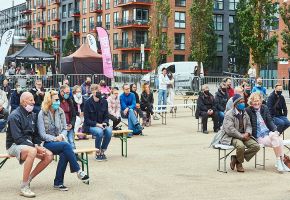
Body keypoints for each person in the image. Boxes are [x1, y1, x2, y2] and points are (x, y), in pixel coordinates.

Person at [37, 90, 90, 190]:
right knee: (67, 146)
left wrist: (61, 135)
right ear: (49, 100)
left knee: (65, 152)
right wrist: (55, 138)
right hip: (47, 143)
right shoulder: (42, 113)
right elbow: (42, 134)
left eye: (58, 100)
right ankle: (78, 171)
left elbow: (65, 128)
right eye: (56, 100)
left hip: (60, 141)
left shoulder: (60, 111)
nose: (58, 102)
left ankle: (58, 183)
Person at [6, 92, 53, 197]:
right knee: (32, 151)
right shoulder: (14, 116)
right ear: (23, 102)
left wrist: (37, 144)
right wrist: (35, 147)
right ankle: (24, 187)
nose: (34, 102)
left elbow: (35, 135)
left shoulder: (32, 115)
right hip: (14, 145)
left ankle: (28, 179)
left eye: (33, 100)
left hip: (29, 145)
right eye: (31, 100)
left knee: (49, 155)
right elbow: (18, 139)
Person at [246, 92, 290, 172]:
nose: (256, 103)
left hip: (267, 133)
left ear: (261, 100)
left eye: (258, 100)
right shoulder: (248, 110)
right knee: (278, 139)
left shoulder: (264, 108)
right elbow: (247, 125)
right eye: (254, 101)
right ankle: (280, 163)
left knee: (276, 137)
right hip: (259, 136)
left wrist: (275, 130)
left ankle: (279, 163)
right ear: (251, 102)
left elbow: (269, 121)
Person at [219, 94, 260, 172]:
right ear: (235, 104)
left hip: (244, 135)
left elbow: (248, 125)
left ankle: (236, 159)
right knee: (240, 146)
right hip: (231, 136)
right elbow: (230, 130)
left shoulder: (244, 112)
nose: (243, 103)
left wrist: (248, 133)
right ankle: (239, 164)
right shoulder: (229, 114)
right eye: (240, 102)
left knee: (256, 146)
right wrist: (241, 136)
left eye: (243, 101)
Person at [83, 86, 112, 161]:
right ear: (92, 92)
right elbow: (86, 120)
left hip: (102, 125)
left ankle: (102, 150)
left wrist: (105, 123)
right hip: (90, 126)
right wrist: (97, 124)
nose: (100, 92)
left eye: (100, 90)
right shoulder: (87, 103)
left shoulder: (104, 102)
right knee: (99, 132)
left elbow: (106, 116)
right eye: (97, 91)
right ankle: (97, 151)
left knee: (109, 131)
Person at [59, 85, 76, 149]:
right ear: (61, 92)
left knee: (71, 141)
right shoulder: (57, 101)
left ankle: (73, 156)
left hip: (69, 125)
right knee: (66, 142)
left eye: (69, 92)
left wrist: (71, 124)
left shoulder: (70, 101)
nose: (68, 94)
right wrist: (64, 126)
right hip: (61, 126)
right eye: (67, 92)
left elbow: (74, 115)